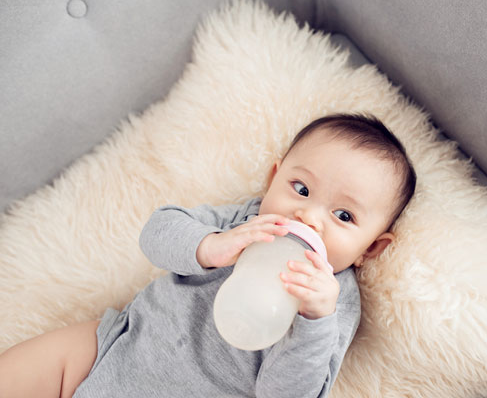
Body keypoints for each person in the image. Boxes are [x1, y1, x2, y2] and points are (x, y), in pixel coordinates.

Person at [0, 113, 416, 398]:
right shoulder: (244, 221)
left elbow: (287, 394)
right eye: (301, 189)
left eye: (343, 216)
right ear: (273, 179)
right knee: (28, 368)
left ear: (370, 248)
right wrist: (211, 245)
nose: (307, 216)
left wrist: (313, 320)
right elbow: (156, 233)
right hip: (123, 343)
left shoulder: (331, 301)